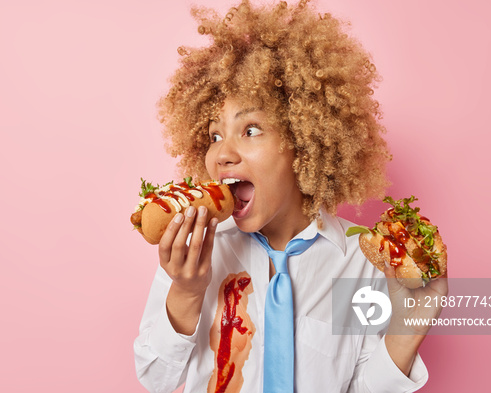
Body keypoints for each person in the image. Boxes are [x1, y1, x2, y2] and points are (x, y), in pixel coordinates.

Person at [133, 1, 447, 392]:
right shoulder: (194, 254)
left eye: (250, 130)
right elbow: (156, 378)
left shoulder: (360, 262)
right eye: (214, 135)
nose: (223, 153)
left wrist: (409, 326)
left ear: (304, 141)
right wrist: (186, 291)